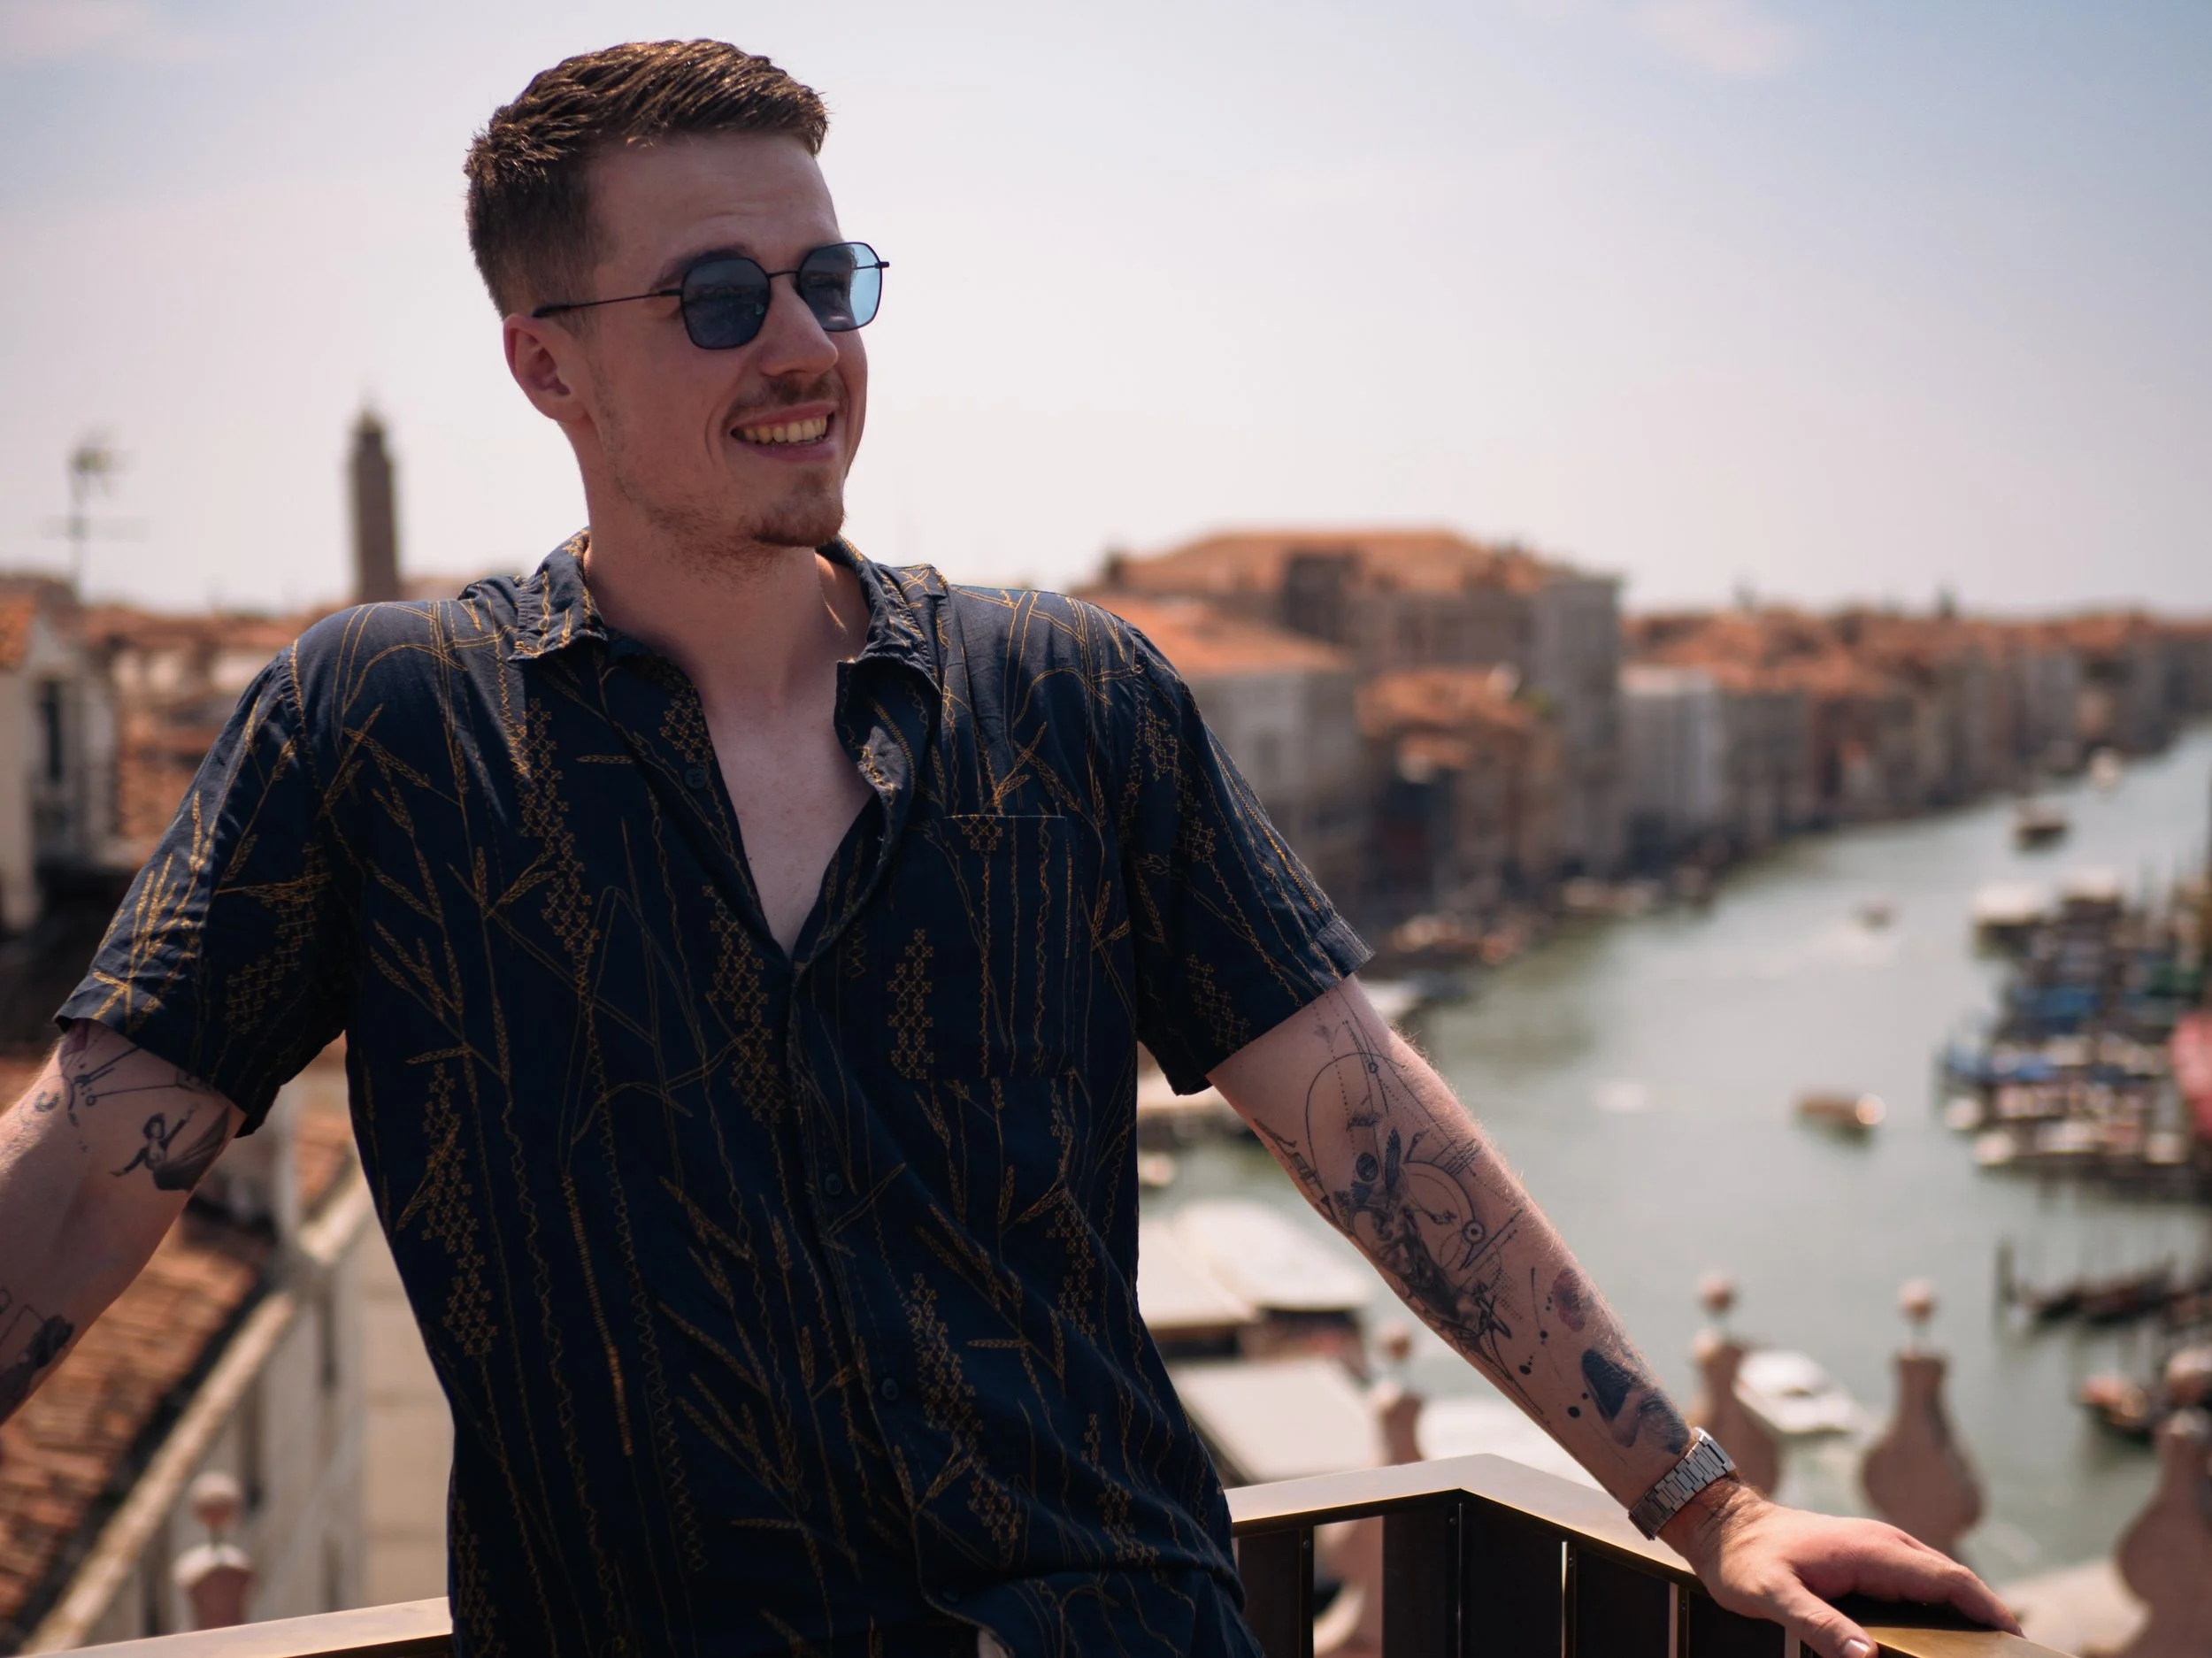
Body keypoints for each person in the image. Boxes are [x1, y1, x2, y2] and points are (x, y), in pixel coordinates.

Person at [0, 39, 2017, 1658]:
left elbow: (1358, 1122)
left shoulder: (1075, 699)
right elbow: (93, 1175)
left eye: (828, 279)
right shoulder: (379, 728)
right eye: (716, 298)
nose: (801, 344)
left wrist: (1704, 1502)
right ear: (547, 363)